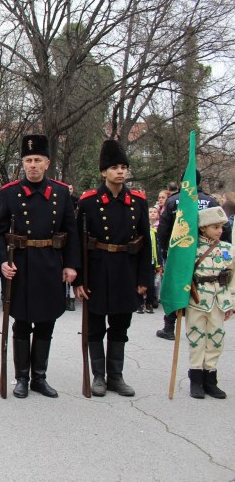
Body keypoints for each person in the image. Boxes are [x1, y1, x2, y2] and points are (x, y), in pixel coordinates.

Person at [0, 134, 80, 399]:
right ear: (22, 163)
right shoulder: (9, 192)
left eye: (37, 160)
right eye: (28, 160)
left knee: (46, 323)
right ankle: (21, 378)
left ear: (47, 163)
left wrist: (72, 266)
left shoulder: (61, 192)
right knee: (21, 323)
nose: (32, 165)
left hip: (51, 264)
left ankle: (39, 377)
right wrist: (2, 264)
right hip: (20, 264)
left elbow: (71, 231)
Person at [74, 140, 150, 397]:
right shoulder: (88, 201)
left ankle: (116, 376)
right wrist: (79, 280)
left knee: (120, 326)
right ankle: (98, 376)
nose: (120, 171)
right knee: (95, 326)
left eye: (123, 167)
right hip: (97, 269)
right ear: (103, 172)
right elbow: (78, 243)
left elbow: (145, 243)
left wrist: (143, 278)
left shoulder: (137, 201)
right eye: (114, 167)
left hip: (125, 270)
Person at [156, 171, 231, 340]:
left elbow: (163, 229)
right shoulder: (210, 201)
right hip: (206, 252)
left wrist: (167, 251)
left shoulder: (173, 200)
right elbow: (224, 227)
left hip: (180, 252)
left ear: (182, 181)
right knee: (203, 287)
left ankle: (169, 328)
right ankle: (204, 325)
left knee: (176, 287)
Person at [186, 206, 232, 399]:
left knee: (216, 337)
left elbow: (233, 276)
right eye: (214, 227)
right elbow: (181, 273)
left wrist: (231, 301)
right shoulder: (191, 248)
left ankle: (210, 378)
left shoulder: (227, 249)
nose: (219, 230)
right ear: (203, 228)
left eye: (221, 226)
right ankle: (195, 378)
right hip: (196, 299)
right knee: (196, 337)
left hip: (219, 299)